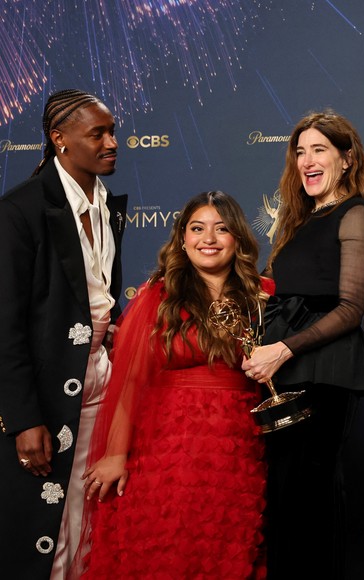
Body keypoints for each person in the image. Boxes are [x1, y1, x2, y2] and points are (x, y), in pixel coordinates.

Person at [79, 191, 269, 577]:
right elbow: (131, 381)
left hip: (238, 446)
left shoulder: (262, 295)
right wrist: (116, 453)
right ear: (182, 238)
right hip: (165, 445)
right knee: (164, 543)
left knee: (225, 547)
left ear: (239, 239)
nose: (209, 239)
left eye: (222, 229)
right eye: (197, 229)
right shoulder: (159, 294)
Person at [241, 110, 364, 579]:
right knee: (285, 495)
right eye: (300, 152)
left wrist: (283, 350)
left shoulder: (356, 212)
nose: (306, 160)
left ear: (346, 158)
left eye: (319, 149)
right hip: (287, 374)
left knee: (310, 494)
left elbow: (350, 309)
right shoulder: (301, 219)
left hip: (324, 372)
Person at [0, 89, 126, 579]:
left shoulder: (108, 205)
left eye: (113, 131)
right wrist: (22, 418)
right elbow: (5, 326)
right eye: (98, 133)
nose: (112, 142)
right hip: (45, 402)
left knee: (88, 522)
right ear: (60, 140)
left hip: (99, 389)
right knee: (42, 535)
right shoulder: (20, 211)